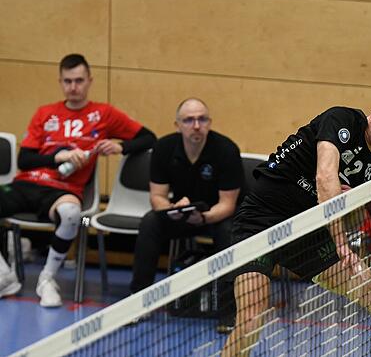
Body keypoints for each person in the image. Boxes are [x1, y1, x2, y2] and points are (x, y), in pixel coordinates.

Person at [222, 90, 371, 357]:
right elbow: (324, 178)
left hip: (309, 233)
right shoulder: (341, 119)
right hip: (263, 222)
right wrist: (341, 243)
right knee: (252, 315)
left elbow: (351, 214)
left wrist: (349, 204)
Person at [0, 53, 156, 307]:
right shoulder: (45, 113)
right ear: (60, 82)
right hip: (27, 183)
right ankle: (4, 276)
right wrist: (56, 156)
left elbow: (149, 138)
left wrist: (120, 146)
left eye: (79, 80)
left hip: (64, 190)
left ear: (90, 81)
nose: (73, 87)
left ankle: (47, 279)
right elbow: (25, 160)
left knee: (74, 215)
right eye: (68, 81)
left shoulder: (104, 114)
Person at [130, 98, 243, 331]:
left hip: (216, 216)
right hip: (181, 213)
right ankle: (138, 302)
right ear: (177, 124)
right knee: (151, 221)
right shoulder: (163, 148)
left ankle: (228, 312)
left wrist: (204, 217)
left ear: (209, 123)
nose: (196, 125)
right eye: (189, 120)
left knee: (229, 233)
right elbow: (157, 196)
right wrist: (171, 210)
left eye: (202, 119)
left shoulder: (226, 150)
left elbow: (228, 204)